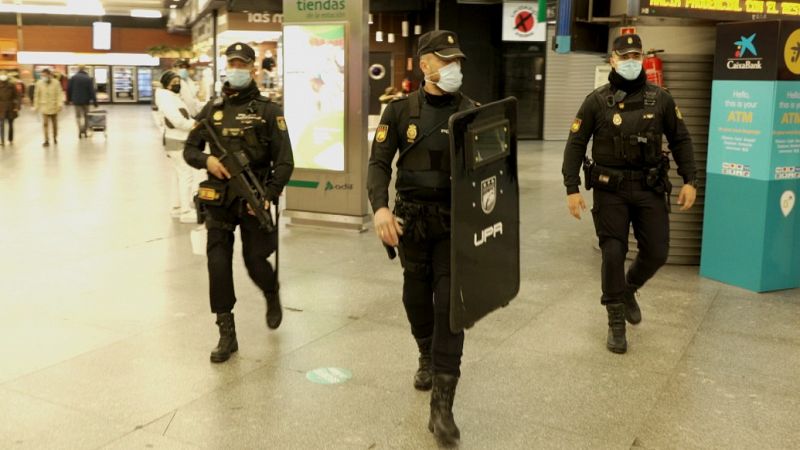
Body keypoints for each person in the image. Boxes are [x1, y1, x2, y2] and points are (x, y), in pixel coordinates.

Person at [367, 30, 477, 447]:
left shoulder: (472, 113)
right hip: (411, 222)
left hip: (454, 226)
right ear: (425, 64)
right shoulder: (399, 112)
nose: (453, 68)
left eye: (457, 61)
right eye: (445, 61)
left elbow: (494, 175)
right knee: (415, 296)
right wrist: (380, 207)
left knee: (450, 305)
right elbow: (379, 163)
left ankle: (443, 405)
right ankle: (425, 352)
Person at [562, 34, 698, 354]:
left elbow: (681, 139)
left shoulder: (661, 99)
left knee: (657, 252)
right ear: (613, 60)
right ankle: (615, 321)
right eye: (625, 57)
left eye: (636, 55)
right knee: (613, 252)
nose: (631, 61)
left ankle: (628, 288)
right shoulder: (597, 101)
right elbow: (576, 143)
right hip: (611, 189)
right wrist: (571, 187)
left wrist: (690, 179)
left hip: (650, 186)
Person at [184, 42, 294, 364]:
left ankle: (271, 291)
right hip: (219, 198)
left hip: (253, 197)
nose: (236, 69)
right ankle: (226, 332)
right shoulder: (212, 109)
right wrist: (207, 161)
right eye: (232, 63)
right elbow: (190, 149)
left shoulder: (269, 111)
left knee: (254, 261)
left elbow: (285, 161)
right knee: (217, 263)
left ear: (252, 69)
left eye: (242, 64)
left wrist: (268, 194)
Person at [156, 70, 199, 223]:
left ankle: (177, 207)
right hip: (177, 140)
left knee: (178, 175)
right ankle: (185, 211)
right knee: (186, 174)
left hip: (175, 140)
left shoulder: (171, 97)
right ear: (166, 84)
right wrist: (193, 125)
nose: (177, 85)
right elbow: (177, 121)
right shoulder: (167, 99)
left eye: (178, 83)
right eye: (173, 83)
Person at [33, 68, 63, 147]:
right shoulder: (39, 83)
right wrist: (36, 106)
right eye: (42, 75)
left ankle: (55, 137)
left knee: (54, 124)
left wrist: (60, 104)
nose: (43, 77)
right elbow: (36, 95)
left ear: (50, 75)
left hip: (54, 106)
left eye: (45, 75)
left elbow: (59, 94)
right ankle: (46, 140)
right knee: (45, 124)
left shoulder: (56, 83)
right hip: (44, 106)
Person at [67, 65, 98, 138]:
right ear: (84, 69)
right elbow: (92, 91)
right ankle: (85, 130)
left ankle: (80, 130)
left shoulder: (73, 78)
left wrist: (69, 99)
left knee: (78, 116)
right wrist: (95, 102)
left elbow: (69, 89)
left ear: (78, 69)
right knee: (86, 116)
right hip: (86, 101)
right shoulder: (88, 78)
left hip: (76, 101)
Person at [0, 72, 21, 146]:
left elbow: (17, 96)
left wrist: (17, 107)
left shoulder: (12, 85)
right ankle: (2, 140)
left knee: (10, 124)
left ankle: (10, 139)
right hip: (1, 107)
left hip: (11, 107)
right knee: (1, 124)